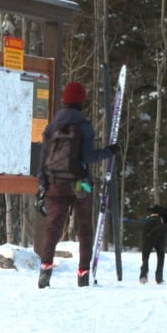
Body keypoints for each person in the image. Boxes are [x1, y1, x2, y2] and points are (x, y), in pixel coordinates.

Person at [35, 81, 118, 288]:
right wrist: (110, 151)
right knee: (85, 228)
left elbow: (43, 158)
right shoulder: (83, 125)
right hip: (82, 184)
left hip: (55, 183)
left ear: (64, 100)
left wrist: (43, 184)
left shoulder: (52, 126)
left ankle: (45, 268)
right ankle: (83, 273)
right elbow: (88, 156)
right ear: (81, 100)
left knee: (53, 228)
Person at [139, 204, 167, 284]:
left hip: (147, 238)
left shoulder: (148, 220)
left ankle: (143, 276)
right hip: (159, 238)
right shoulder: (162, 220)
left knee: (145, 257)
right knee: (160, 257)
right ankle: (159, 279)